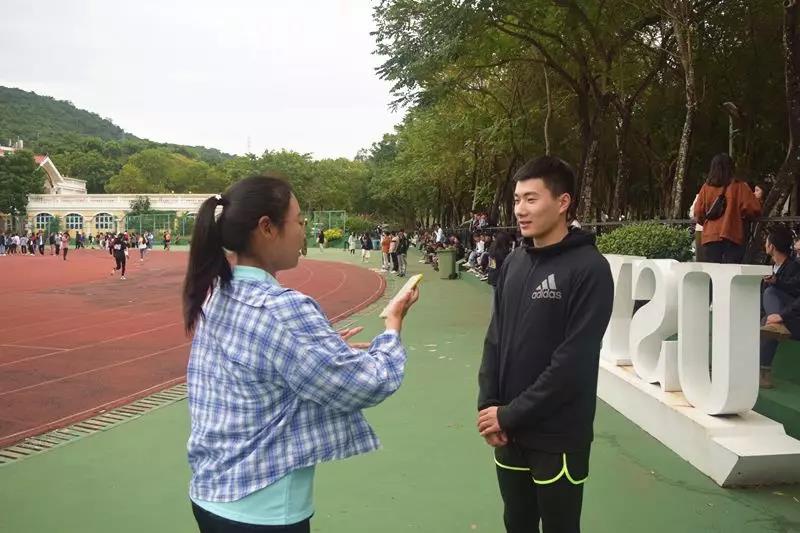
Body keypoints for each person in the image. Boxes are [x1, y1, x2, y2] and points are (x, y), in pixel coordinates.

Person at [183, 176, 419, 532]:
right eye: (298, 221)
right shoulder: (282, 309)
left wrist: (324, 349)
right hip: (261, 508)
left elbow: (262, 362)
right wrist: (393, 325)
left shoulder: (219, 292)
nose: (304, 231)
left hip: (212, 495)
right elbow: (365, 384)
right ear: (267, 228)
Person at [477, 155, 613, 533]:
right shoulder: (514, 262)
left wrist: (509, 414)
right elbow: (495, 338)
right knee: (516, 522)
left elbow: (573, 364)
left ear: (563, 202)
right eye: (517, 199)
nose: (520, 210)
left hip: (557, 435)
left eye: (531, 199)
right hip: (509, 430)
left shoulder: (590, 269)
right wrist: (489, 405)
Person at [693, 153, 761, 264]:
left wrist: (708, 223)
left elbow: (698, 212)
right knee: (731, 271)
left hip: (710, 237)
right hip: (733, 235)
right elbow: (753, 209)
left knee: (713, 271)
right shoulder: (740, 186)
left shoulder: (706, 188)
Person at [759, 226, 800, 388]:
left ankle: (763, 372)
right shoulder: (770, 267)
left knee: (770, 294)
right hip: (782, 319)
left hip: (794, 319)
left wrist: (781, 316)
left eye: (766, 241)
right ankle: (762, 372)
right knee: (767, 322)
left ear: (772, 246)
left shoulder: (794, 267)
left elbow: (795, 291)